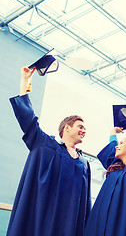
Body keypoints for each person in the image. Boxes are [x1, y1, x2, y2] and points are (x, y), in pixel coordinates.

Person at [7, 67, 91, 236]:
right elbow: (28, 119)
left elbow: (85, 203)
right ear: (67, 128)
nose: (84, 131)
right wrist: (25, 80)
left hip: (69, 226)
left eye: (85, 128)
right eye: (80, 127)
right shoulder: (46, 145)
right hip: (41, 221)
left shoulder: (84, 163)